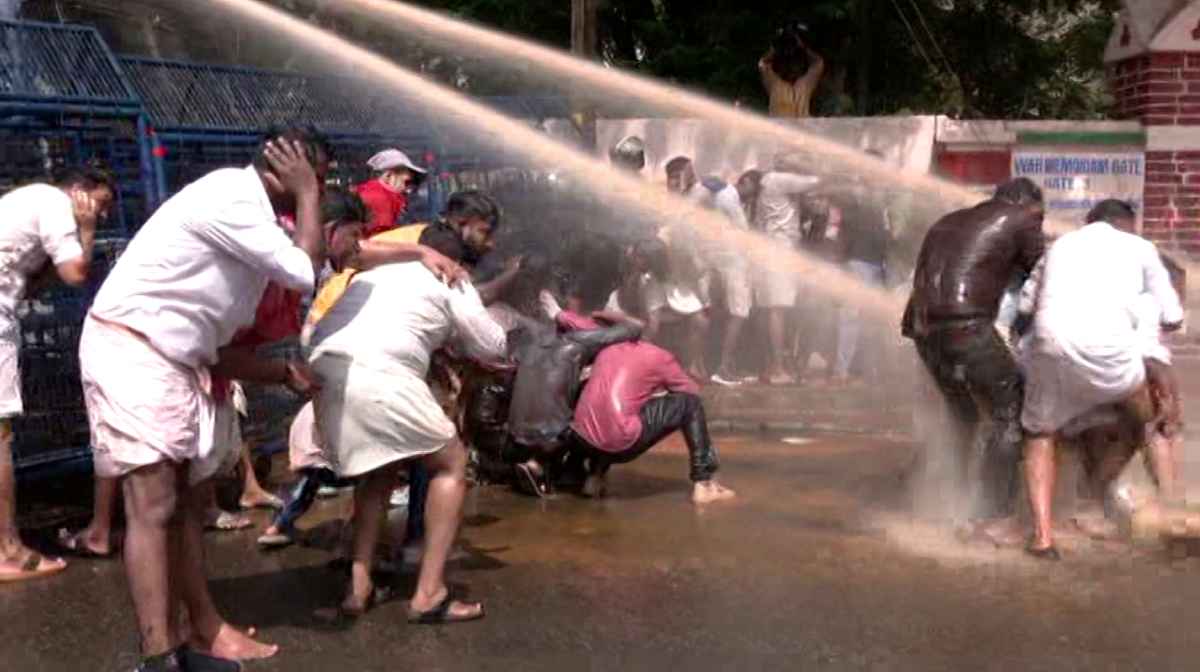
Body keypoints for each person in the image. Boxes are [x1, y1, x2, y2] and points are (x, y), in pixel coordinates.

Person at [77, 128, 334, 671]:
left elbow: (216, 345)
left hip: (171, 360)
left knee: (183, 506)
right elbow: (303, 272)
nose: (324, 187)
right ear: (287, 167)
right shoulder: (231, 196)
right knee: (153, 505)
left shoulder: (255, 223)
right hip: (132, 347)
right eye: (319, 174)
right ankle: (159, 658)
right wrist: (308, 193)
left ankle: (191, 637)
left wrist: (277, 372)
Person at [307, 236, 507, 623]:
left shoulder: (376, 270)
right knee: (451, 463)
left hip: (324, 370)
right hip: (381, 372)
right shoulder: (450, 276)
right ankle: (429, 594)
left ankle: (358, 588)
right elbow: (492, 345)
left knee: (378, 472)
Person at [1018, 199, 1183, 559]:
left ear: (1088, 223)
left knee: (1039, 434)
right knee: (1151, 417)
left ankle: (1042, 539)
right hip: (1110, 353)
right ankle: (1150, 509)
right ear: (1128, 225)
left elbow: (1024, 308)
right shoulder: (1140, 248)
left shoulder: (1059, 245)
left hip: (1050, 346)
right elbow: (1173, 315)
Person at [901, 178, 1045, 525]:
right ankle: (991, 517)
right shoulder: (1021, 219)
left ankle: (935, 496)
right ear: (1030, 206)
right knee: (1008, 415)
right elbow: (1045, 274)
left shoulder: (946, 221)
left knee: (962, 415)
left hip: (923, 330)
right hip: (968, 329)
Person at [0, 163, 114, 583]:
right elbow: (75, 274)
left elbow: (33, 285)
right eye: (98, 205)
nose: (99, 217)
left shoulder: (28, 202)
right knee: (0, 434)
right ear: (80, 190)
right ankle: (7, 549)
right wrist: (84, 230)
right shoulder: (53, 203)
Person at [544, 299, 736, 505]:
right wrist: (655, 391)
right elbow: (690, 392)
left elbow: (576, 322)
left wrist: (558, 312)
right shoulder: (659, 356)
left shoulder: (604, 346)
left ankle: (592, 476)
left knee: (598, 396)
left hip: (580, 440)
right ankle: (704, 483)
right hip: (619, 444)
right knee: (690, 405)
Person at [664, 157, 754, 387]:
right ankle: (703, 366)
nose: (674, 183)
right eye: (672, 179)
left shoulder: (710, 189)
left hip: (729, 256)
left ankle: (719, 365)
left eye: (678, 177)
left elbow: (738, 224)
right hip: (708, 260)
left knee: (733, 311)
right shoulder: (687, 196)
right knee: (709, 312)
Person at [737, 159, 820, 384]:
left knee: (768, 311)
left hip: (767, 256)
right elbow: (815, 182)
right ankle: (777, 369)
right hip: (778, 254)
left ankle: (769, 365)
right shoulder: (777, 180)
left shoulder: (765, 191)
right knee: (777, 311)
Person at [832, 163, 891, 386]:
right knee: (851, 317)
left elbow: (886, 232)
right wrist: (841, 263)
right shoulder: (855, 196)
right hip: (858, 262)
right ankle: (842, 371)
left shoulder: (882, 197)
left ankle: (868, 369)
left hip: (876, 263)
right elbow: (843, 231)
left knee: (871, 319)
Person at [355, 147, 427, 237]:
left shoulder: (371, 192)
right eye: (406, 182)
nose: (409, 189)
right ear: (388, 176)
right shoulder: (379, 199)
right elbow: (380, 239)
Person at [759, 21, 825, 118]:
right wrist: (774, 50)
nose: (793, 69)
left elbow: (818, 63)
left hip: (801, 131)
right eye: (790, 65)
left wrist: (803, 47)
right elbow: (762, 64)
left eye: (795, 65)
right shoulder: (774, 84)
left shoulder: (804, 84)